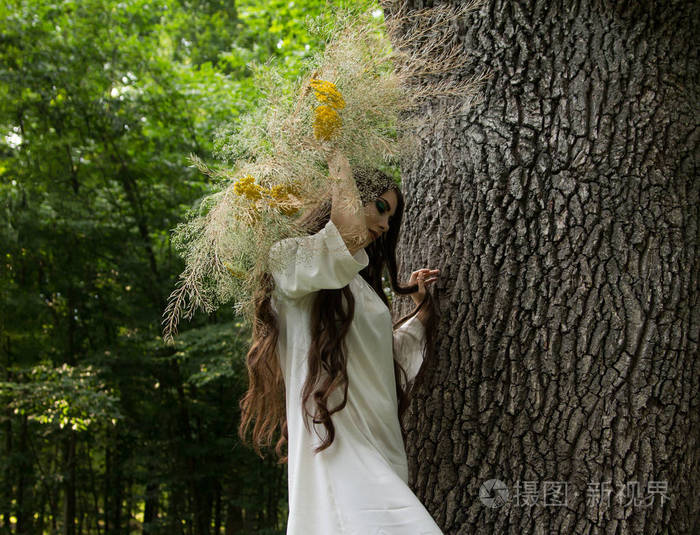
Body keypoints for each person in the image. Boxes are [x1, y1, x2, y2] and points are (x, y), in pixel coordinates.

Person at [238, 150, 443, 534]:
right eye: (379, 207)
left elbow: (387, 358)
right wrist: (335, 148)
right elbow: (347, 233)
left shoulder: (360, 289)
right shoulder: (292, 263)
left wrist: (424, 311)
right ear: (348, 195)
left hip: (383, 451)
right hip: (338, 454)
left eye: (390, 216)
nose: (384, 223)